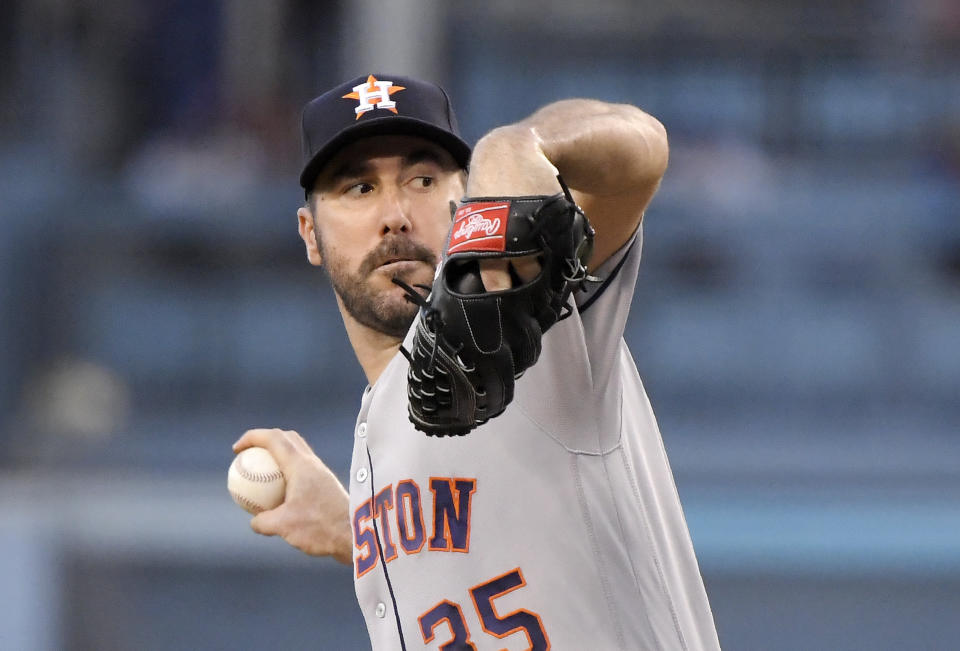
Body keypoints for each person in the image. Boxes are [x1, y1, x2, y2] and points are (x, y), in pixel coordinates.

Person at [234, 73, 720, 650]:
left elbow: (642, 150)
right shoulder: (376, 431)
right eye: (358, 189)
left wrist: (518, 143)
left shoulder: (540, 318)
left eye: (422, 179)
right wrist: (359, 535)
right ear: (310, 234)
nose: (395, 214)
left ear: (465, 199)